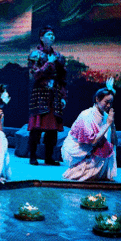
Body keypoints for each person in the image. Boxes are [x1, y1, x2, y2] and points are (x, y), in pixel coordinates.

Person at [61, 79, 117, 181]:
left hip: (92, 150)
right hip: (78, 151)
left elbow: (114, 141)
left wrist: (112, 124)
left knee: (109, 146)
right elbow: (93, 141)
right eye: (106, 102)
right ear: (97, 99)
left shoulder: (106, 116)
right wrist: (108, 124)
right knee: (78, 173)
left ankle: (96, 171)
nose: (109, 106)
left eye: (111, 103)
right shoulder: (86, 115)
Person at [27, 26, 67, 166]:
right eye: (48, 34)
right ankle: (33, 156)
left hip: (54, 94)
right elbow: (35, 75)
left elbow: (62, 79)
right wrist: (48, 63)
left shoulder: (59, 57)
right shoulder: (35, 54)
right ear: (41, 38)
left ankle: (48, 157)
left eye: (52, 34)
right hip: (40, 93)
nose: (51, 37)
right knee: (37, 127)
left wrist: (63, 96)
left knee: (52, 128)